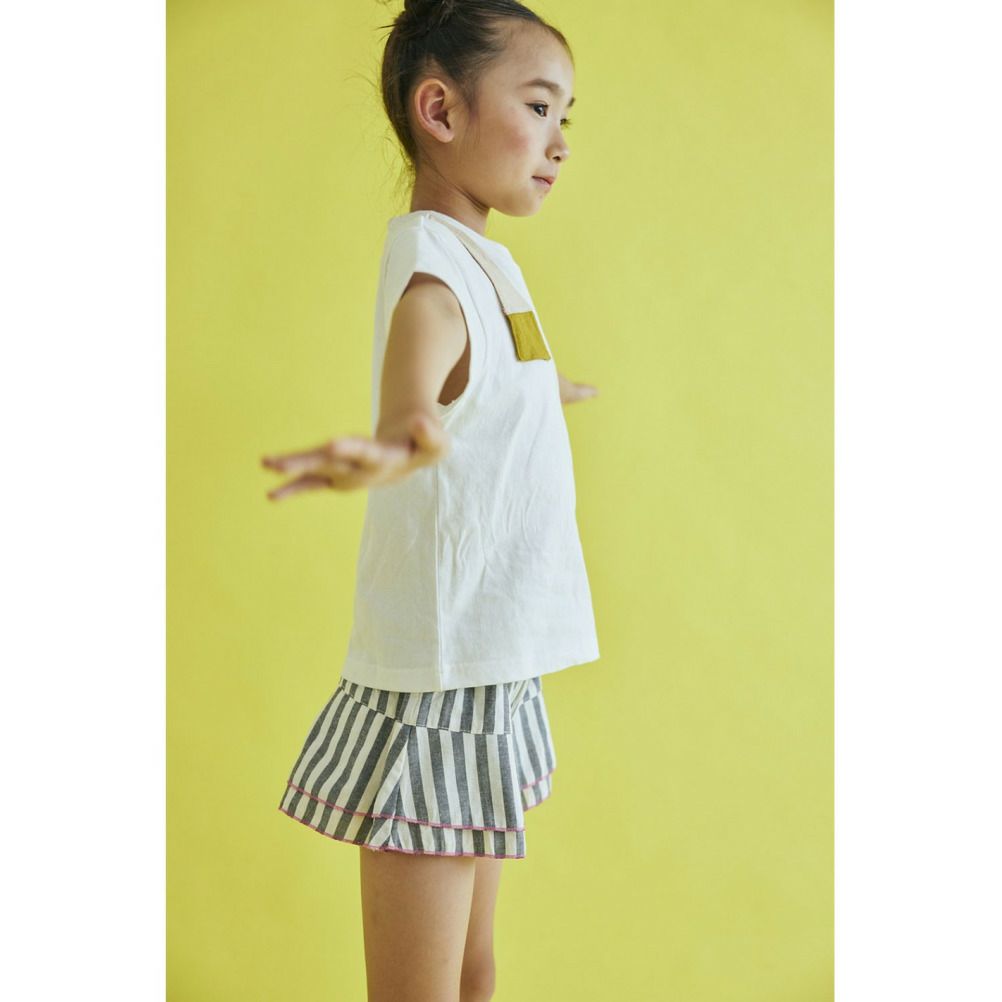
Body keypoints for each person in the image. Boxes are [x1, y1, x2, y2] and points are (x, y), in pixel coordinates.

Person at [261, 2, 600, 999]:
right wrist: (389, 444)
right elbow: (419, 394)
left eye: (567, 116)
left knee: (475, 973)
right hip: (440, 692)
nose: (560, 141)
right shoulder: (433, 281)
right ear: (441, 110)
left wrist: (541, 389)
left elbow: (483, 376)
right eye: (538, 107)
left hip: (491, 670)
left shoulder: (482, 262)